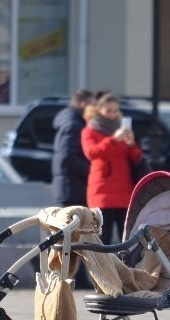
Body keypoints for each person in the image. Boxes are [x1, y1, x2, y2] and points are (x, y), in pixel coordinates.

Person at [81, 93, 143, 245]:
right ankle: (102, 262)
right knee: (103, 239)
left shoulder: (121, 128)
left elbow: (136, 158)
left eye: (115, 111)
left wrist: (131, 143)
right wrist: (113, 139)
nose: (112, 114)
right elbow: (91, 152)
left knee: (126, 239)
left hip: (124, 191)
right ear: (99, 110)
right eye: (108, 110)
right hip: (103, 190)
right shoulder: (90, 130)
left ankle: (123, 262)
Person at [51, 89, 94, 207]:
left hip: (71, 188)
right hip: (73, 190)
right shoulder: (73, 125)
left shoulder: (72, 121)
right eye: (93, 105)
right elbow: (69, 158)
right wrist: (92, 172)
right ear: (83, 104)